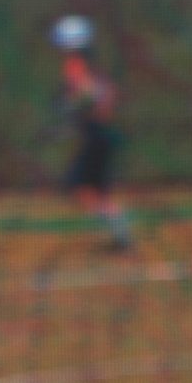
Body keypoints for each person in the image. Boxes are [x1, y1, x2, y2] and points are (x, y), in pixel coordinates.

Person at [51, 15, 132, 251]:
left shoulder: (75, 66)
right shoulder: (90, 66)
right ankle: (120, 234)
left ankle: (120, 231)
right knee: (95, 192)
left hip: (97, 136)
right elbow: (105, 95)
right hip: (100, 135)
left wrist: (72, 105)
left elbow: (90, 97)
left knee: (79, 188)